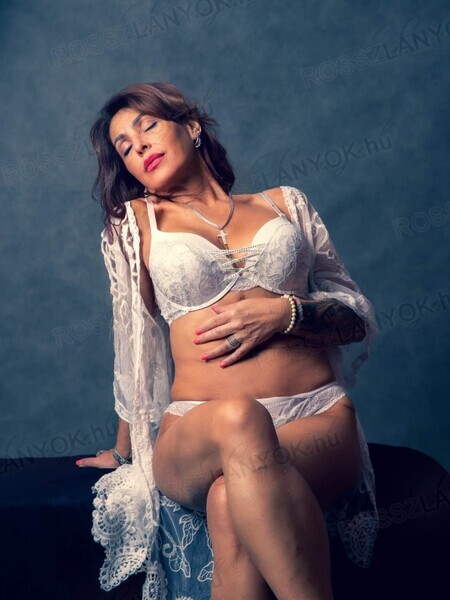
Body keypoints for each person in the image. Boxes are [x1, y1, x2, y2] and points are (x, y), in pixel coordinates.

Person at [79, 82, 380, 600]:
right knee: (241, 418)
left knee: (227, 503)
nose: (139, 146)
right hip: (199, 430)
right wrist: (124, 450)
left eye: (148, 127)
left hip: (316, 420)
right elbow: (133, 345)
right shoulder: (135, 226)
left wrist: (285, 313)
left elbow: (356, 317)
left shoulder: (285, 204)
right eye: (124, 147)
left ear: (192, 127)